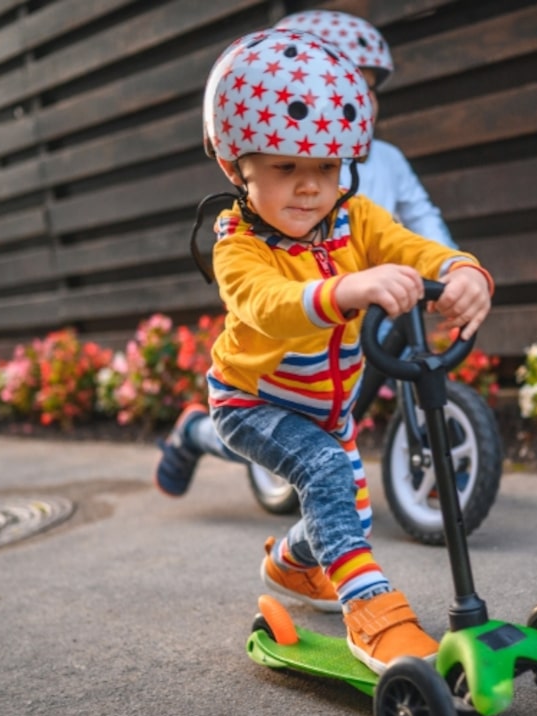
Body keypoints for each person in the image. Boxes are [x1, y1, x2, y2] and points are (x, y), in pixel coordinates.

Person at [156, 28, 493, 673]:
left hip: (324, 407)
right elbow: (268, 307)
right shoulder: (239, 245)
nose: (310, 188)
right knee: (330, 475)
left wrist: (460, 271)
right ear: (237, 167)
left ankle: (291, 566)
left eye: (327, 168)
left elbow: (412, 247)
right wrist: (349, 287)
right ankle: (373, 615)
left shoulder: (356, 218)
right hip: (252, 402)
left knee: (350, 511)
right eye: (285, 168)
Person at [274, 9, 458, 249]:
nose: (365, 99)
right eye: (349, 85)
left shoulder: (387, 157)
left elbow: (422, 218)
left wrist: (452, 265)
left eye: (370, 88)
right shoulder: (283, 163)